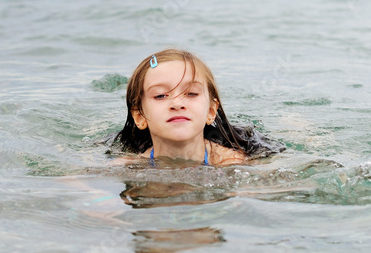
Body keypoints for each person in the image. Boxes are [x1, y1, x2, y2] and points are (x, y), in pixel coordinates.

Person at [110, 48, 285, 166]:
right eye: (160, 95)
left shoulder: (233, 163)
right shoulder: (128, 166)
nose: (177, 104)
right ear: (139, 116)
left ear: (211, 111)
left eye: (191, 93)